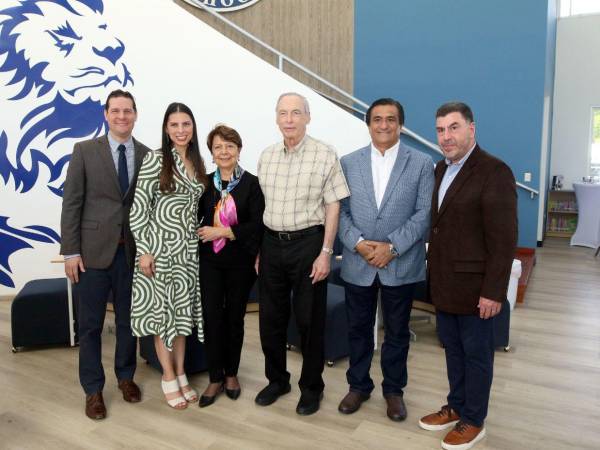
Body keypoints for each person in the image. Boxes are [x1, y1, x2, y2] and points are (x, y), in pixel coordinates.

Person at [419, 102, 517, 450]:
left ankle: (474, 419)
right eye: (441, 130)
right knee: (453, 352)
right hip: (446, 284)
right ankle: (457, 405)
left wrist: (493, 292)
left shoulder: (494, 171)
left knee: (476, 356)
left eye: (454, 127)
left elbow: (504, 240)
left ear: (471, 129)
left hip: (477, 289)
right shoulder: (438, 170)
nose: (446, 136)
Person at [337, 98, 434, 421]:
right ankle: (358, 386)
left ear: (400, 125)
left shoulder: (421, 163)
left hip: (400, 262)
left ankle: (393, 391)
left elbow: (423, 214)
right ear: (368, 124)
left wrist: (392, 247)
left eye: (390, 119)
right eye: (377, 119)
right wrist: (360, 244)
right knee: (358, 329)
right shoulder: (348, 162)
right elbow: (341, 211)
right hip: (358, 262)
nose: (383, 125)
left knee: (397, 333)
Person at [255, 92, 350, 415]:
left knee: (310, 320)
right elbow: (262, 207)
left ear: (308, 117)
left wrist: (326, 252)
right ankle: (277, 380)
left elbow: (333, 205)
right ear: (276, 118)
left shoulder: (325, 154)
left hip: (309, 244)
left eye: (296, 113)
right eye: (283, 113)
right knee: (270, 319)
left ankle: (311, 388)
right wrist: (259, 249)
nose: (289, 119)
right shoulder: (266, 156)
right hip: (270, 244)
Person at [60, 89, 150, 420]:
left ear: (135, 115)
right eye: (116, 111)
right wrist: (70, 251)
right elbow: (72, 202)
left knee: (129, 322)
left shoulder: (146, 155)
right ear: (106, 114)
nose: (122, 116)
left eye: (128, 111)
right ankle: (93, 390)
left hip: (132, 256)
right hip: (92, 254)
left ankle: (125, 378)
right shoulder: (84, 151)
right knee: (90, 326)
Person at [129, 102, 208, 410]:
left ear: (193, 127)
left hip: (188, 254)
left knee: (182, 317)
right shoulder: (156, 159)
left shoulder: (198, 162)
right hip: (159, 252)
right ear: (166, 129)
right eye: (174, 125)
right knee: (164, 318)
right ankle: (168, 376)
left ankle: (182, 372)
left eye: (185, 124)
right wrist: (145, 251)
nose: (180, 130)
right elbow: (138, 210)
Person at [196, 124, 265, 407]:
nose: (224, 151)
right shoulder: (203, 184)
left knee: (235, 318)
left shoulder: (252, 184)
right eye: (218, 147)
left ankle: (232, 374)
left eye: (229, 146)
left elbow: (258, 224)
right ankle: (215, 376)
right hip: (209, 263)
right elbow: (196, 219)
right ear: (211, 153)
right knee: (213, 318)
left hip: (240, 263)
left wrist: (223, 231)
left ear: (238, 150)